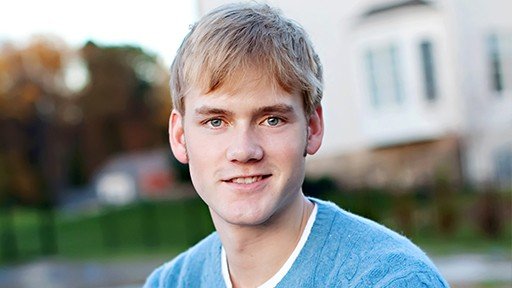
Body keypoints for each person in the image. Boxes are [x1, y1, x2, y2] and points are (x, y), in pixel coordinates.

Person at [145, 2, 449, 287]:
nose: (244, 150)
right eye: (216, 122)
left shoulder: (390, 279)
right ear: (180, 136)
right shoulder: (169, 282)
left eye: (272, 119)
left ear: (313, 127)